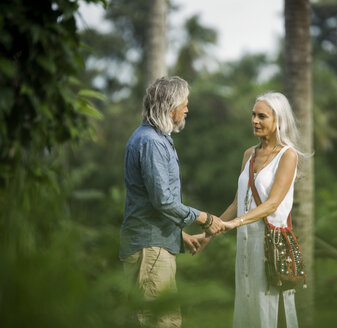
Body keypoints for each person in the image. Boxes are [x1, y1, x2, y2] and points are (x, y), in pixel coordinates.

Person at [119, 76, 225, 328]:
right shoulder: (152, 142)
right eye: (184, 103)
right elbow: (162, 200)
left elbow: (154, 200)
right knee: (160, 322)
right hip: (150, 249)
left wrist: (181, 235)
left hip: (155, 245)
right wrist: (204, 218)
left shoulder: (155, 138)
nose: (187, 108)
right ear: (170, 106)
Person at [200, 92, 302, 327]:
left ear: (278, 120)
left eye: (262, 116)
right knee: (248, 309)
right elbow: (238, 204)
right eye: (253, 115)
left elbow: (272, 203)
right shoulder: (249, 154)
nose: (255, 120)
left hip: (271, 246)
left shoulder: (288, 155)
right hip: (246, 244)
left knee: (271, 311)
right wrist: (208, 236)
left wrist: (234, 224)